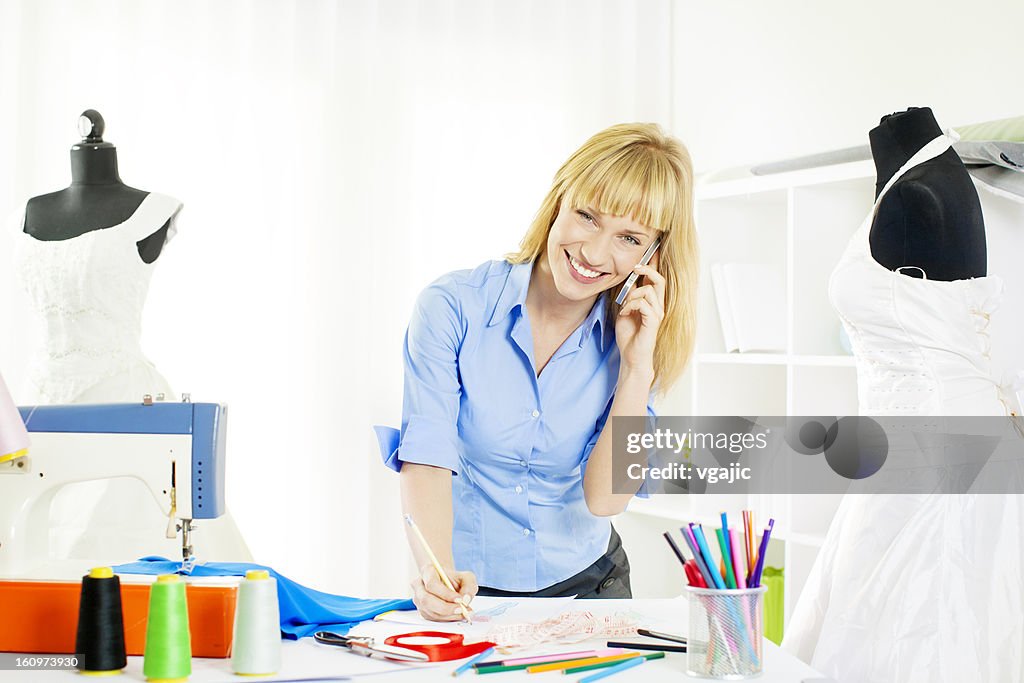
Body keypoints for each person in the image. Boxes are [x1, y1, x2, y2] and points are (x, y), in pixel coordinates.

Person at [374, 122, 698, 621]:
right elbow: (428, 454)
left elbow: (606, 499)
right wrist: (435, 571)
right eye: (588, 216)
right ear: (558, 200)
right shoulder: (453, 307)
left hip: (593, 590)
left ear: (651, 253)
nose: (594, 253)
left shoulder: (631, 333)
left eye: (629, 237)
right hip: (472, 594)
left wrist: (636, 369)